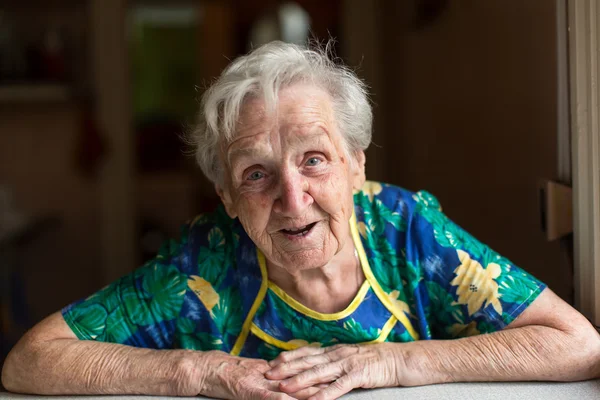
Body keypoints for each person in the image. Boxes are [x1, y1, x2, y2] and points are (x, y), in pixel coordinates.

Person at [2, 40, 599, 400]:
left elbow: (578, 344)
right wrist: (201, 372)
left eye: (313, 159)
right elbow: (31, 360)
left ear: (355, 163)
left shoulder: (406, 230)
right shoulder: (204, 264)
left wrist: (395, 361)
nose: (293, 198)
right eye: (256, 173)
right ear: (226, 196)